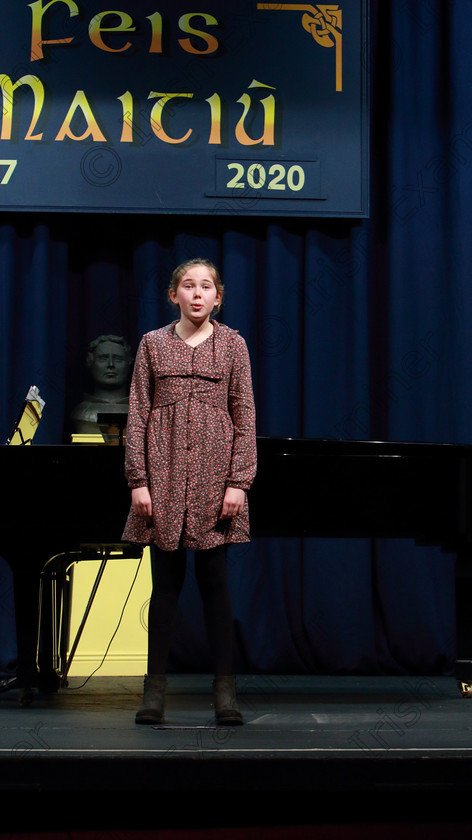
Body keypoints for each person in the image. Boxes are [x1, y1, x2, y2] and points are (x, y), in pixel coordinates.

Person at [122, 258, 257, 726]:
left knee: (215, 583)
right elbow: (138, 413)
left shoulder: (233, 345)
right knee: (165, 585)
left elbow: (245, 417)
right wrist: (139, 481)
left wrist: (239, 481)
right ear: (173, 294)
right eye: (187, 285)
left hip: (214, 476)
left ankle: (225, 692)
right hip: (163, 472)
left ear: (218, 297)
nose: (197, 294)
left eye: (206, 287)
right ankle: (154, 691)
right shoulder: (152, 345)